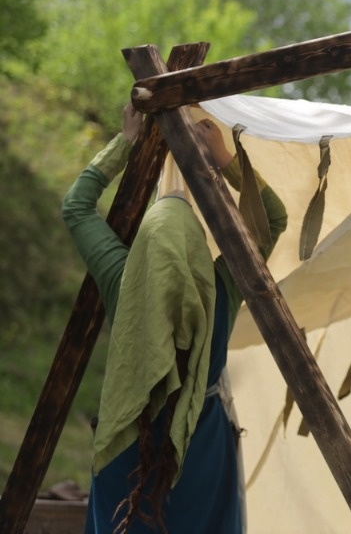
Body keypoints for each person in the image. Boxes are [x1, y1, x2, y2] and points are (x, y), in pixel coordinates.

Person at [62, 103, 287, 533]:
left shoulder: (124, 280)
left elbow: (76, 206)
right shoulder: (222, 285)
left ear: (146, 248)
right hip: (201, 450)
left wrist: (124, 142)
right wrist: (224, 158)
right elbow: (271, 219)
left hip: (125, 451)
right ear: (199, 253)